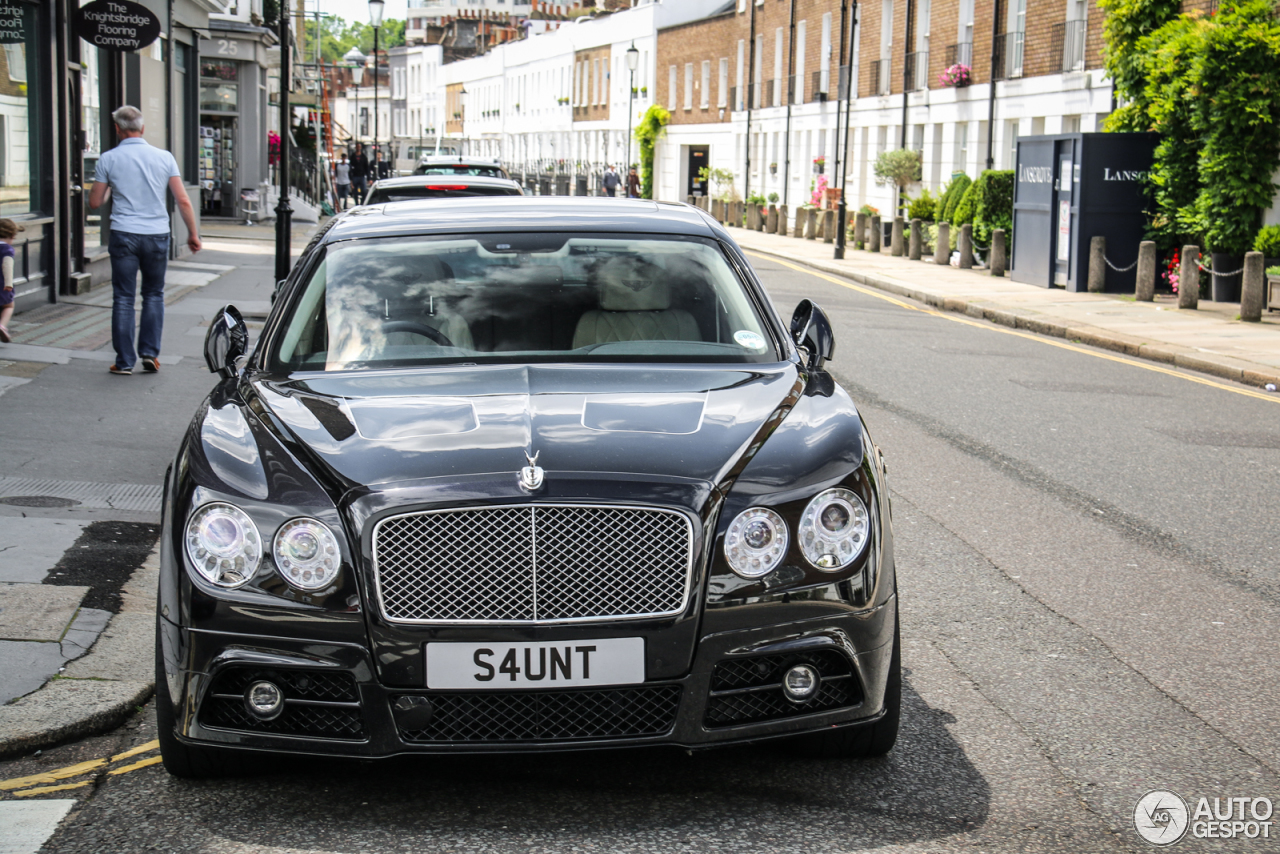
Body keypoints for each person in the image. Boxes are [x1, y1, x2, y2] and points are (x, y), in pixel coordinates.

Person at [88, 105, 200, 376]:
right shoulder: (164, 158)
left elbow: (95, 202)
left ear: (117, 129)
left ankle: (124, 361)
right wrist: (192, 234)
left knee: (124, 298)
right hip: (156, 235)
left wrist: (110, 189)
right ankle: (150, 353)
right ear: (143, 128)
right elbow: (182, 199)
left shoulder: (108, 159)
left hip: (124, 234)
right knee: (153, 294)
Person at [0, 218, 21, 343]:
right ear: (12, 236)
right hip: (2, 284)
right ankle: (2, 326)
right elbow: (7, 266)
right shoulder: (7, 249)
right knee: (9, 305)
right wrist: (9, 284)